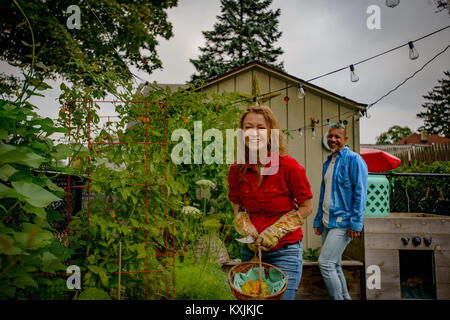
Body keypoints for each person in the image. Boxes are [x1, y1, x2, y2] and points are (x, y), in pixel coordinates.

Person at [228, 105, 313, 300]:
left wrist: (276, 230)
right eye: (248, 127)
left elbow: (307, 206)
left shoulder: (289, 167)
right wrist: (246, 228)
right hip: (250, 250)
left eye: (261, 127)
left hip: (285, 251)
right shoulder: (237, 169)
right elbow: (237, 207)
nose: (254, 133)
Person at [313, 123, 368, 300]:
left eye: (337, 137)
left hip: (343, 222)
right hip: (328, 220)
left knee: (325, 263)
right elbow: (324, 193)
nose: (333, 140)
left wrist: (356, 223)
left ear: (345, 139)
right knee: (335, 265)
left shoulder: (354, 160)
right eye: (330, 136)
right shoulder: (328, 162)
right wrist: (318, 220)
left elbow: (360, 193)